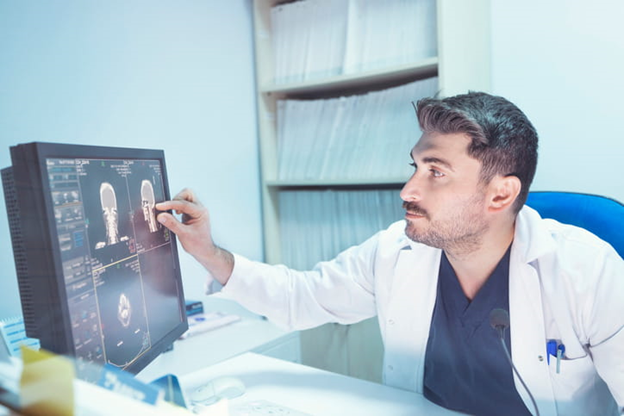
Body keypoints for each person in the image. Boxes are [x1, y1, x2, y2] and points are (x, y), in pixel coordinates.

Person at [156, 92, 624, 416]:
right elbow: (300, 298)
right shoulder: (395, 253)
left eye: (436, 172)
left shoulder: (588, 273)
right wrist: (208, 251)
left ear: (501, 196)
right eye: (415, 166)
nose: (408, 189)